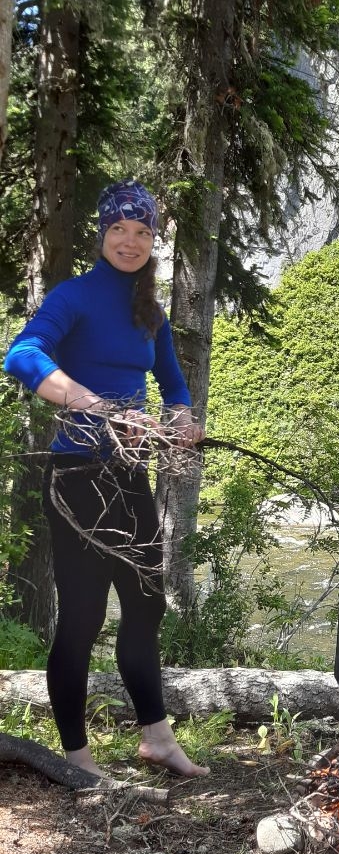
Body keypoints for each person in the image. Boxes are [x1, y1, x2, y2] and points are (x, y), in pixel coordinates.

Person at [4, 178, 208, 778]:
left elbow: (172, 383)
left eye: (142, 232)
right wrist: (92, 403)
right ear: (102, 234)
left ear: (153, 241)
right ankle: (79, 759)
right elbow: (23, 354)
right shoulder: (75, 296)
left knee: (146, 610)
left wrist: (180, 420)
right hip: (77, 478)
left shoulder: (150, 312)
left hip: (128, 476)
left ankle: (157, 739)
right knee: (84, 618)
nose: (130, 241)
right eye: (119, 229)